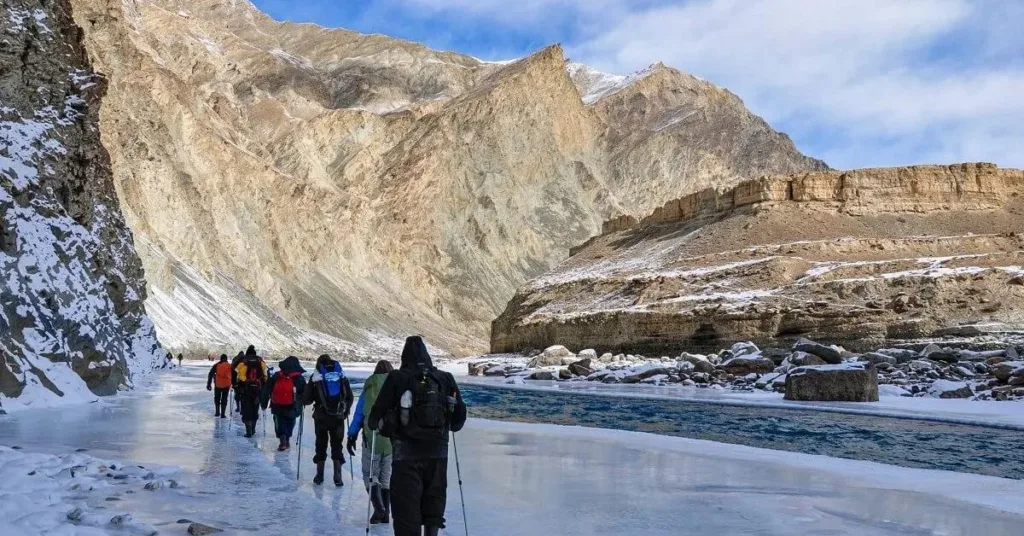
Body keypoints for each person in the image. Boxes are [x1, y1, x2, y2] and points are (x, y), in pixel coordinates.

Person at [368, 336, 467, 536]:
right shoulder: (445, 378)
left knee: (406, 514)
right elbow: (458, 421)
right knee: (434, 506)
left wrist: (387, 425)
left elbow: (373, 419)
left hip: (405, 455)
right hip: (438, 454)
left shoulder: (397, 378)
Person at [348, 360, 395, 525]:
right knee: (386, 476)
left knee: (370, 474)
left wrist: (351, 435)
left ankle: (379, 508)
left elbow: (359, 415)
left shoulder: (370, 386)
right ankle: (386, 513)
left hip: (372, 435)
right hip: (391, 438)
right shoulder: (396, 386)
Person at [301, 354, 353, 486]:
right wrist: (345, 411)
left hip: (321, 417)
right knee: (337, 445)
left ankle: (319, 475)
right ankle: (338, 476)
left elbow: (306, 400)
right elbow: (350, 397)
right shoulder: (341, 377)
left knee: (321, 445)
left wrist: (310, 384)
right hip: (338, 417)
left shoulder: (317, 378)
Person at [263, 356, 306, 451]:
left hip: (277, 404)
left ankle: (283, 442)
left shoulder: (277, 375)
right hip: (293, 405)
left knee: (279, 421)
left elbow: (267, 389)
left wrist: (264, 403)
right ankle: (287, 439)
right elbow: (304, 392)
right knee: (290, 421)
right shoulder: (298, 377)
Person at [234, 345, 267, 438]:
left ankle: (249, 431)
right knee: (255, 409)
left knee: (246, 409)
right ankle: (253, 428)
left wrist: (244, 382)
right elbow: (265, 375)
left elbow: (238, 374)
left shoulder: (244, 362)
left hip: (246, 390)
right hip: (258, 389)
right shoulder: (260, 361)